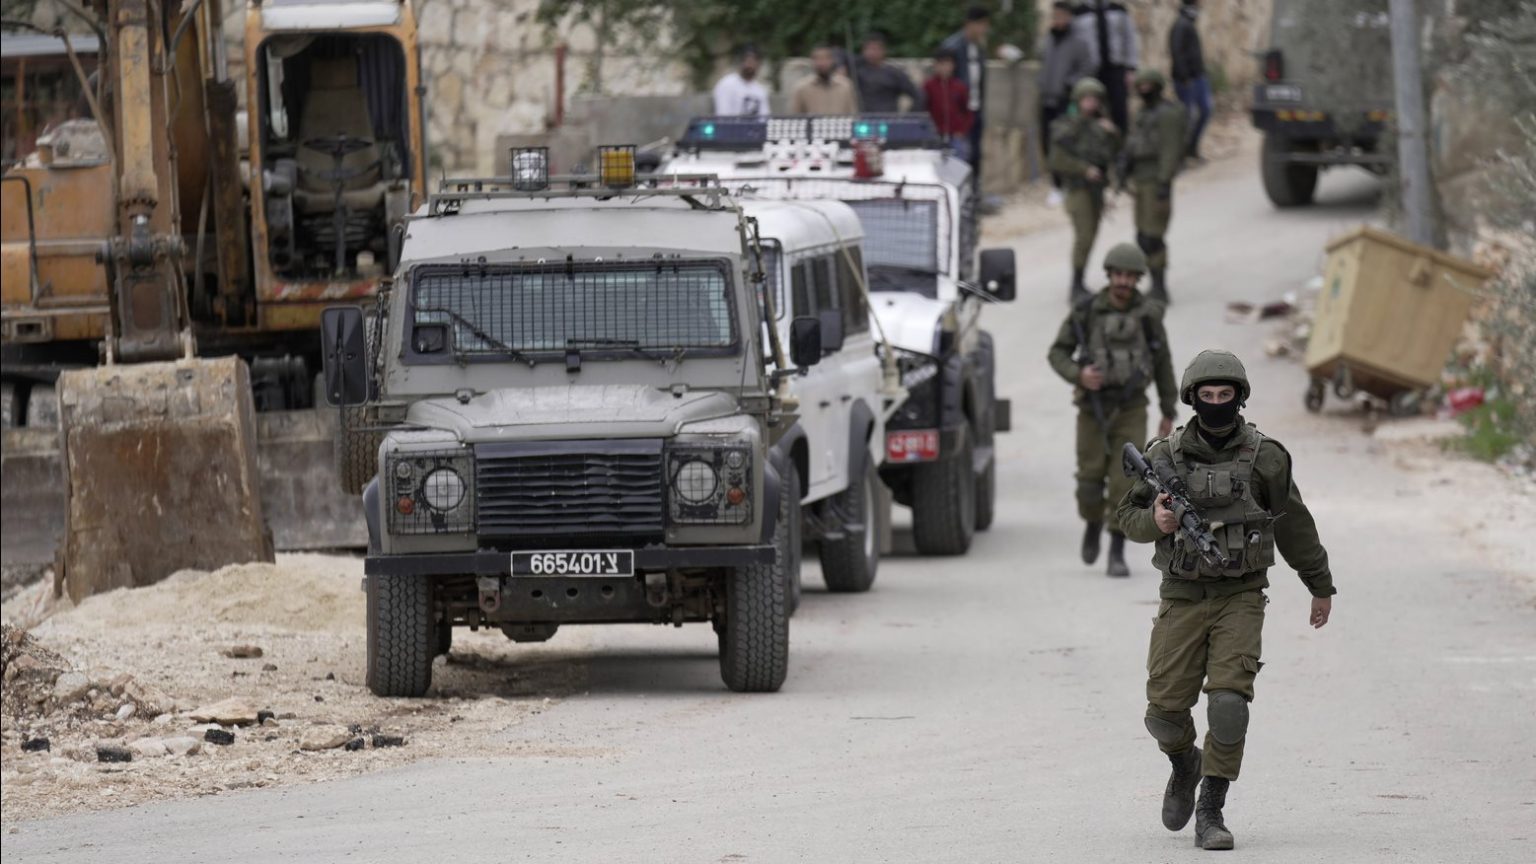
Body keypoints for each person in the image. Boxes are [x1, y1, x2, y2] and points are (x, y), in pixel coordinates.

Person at [1115, 349, 1336, 852]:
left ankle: (1211, 808)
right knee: (1163, 714)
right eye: (1207, 395)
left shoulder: (1265, 456)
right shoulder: (1163, 456)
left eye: (1225, 394)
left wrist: (1319, 584)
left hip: (1241, 594)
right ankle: (1184, 764)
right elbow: (1127, 518)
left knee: (1229, 704)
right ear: (1192, 399)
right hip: (1181, 594)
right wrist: (1158, 521)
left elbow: (1294, 524)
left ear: (1240, 397)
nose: (1216, 403)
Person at [1047, 242, 1177, 578]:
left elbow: (1162, 362)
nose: (1123, 282)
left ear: (1137, 279)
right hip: (1092, 408)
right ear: (1109, 275)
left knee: (1125, 483)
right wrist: (1079, 374)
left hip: (1132, 407)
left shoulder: (1148, 316)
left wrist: (1168, 408)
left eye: (1130, 276)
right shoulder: (1086, 311)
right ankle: (1093, 523)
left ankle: (1116, 550)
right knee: (1089, 482)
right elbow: (1057, 353)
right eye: (1118, 275)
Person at [1048, 77, 1120, 303]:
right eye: (1087, 99)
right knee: (1084, 236)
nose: (1091, 103)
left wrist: (1113, 134)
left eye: (1095, 99)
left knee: (1091, 235)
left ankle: (1080, 282)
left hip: (1097, 189)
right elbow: (1057, 160)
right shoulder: (1066, 126)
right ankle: (1076, 285)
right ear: (1078, 100)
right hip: (1077, 188)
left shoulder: (1101, 126)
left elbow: (1114, 155)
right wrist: (1083, 169)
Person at [1123, 68, 1188, 304]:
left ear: (1158, 87)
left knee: (1153, 237)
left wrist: (1164, 183)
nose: (1144, 91)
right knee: (1142, 236)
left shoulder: (1168, 114)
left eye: (1148, 87)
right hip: (1141, 181)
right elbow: (1134, 142)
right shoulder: (1143, 113)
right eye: (1140, 87)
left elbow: (1171, 150)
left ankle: (1160, 288)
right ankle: (1153, 282)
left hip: (1156, 181)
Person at [1038, 1, 1096, 205]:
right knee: (1047, 142)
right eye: (1055, 16)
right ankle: (1056, 185)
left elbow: (1088, 67)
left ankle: (1069, 182)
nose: (1058, 20)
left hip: (1066, 100)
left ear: (1069, 17)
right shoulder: (1048, 39)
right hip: (1046, 100)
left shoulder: (1079, 41)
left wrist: (1069, 84)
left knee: (1066, 142)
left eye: (1061, 15)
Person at [939, 6, 992, 180]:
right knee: (959, 154)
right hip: (959, 113)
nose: (984, 29)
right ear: (970, 24)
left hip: (975, 109)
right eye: (982, 25)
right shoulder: (952, 46)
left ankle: (975, 190)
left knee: (976, 153)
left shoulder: (979, 48)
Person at [1073, 1, 1140, 132]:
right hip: (1091, 71)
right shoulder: (1079, 12)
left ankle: (1120, 139)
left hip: (1116, 69)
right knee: (1091, 109)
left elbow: (1129, 39)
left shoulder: (1119, 10)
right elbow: (1075, 43)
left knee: (1119, 109)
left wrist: (1131, 68)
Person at [1170, 0, 1212, 162]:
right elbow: (1177, 52)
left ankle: (1192, 149)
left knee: (1205, 111)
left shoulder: (1189, 23)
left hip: (1198, 77)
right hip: (1187, 80)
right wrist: (1184, 76)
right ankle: (1181, 154)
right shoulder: (1181, 25)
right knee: (1187, 118)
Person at [853, 32, 924, 114]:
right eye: (868, 49)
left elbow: (918, 95)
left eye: (875, 49)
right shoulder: (857, 71)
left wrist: (909, 116)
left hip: (888, 117)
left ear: (883, 50)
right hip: (864, 118)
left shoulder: (894, 73)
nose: (871, 53)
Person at [923, 52, 974, 161]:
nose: (944, 68)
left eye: (947, 64)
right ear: (935, 65)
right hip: (935, 135)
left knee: (959, 162)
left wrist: (962, 130)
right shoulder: (928, 86)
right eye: (941, 64)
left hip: (956, 136)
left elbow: (967, 112)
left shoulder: (960, 87)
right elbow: (923, 110)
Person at [789, 45, 858, 115]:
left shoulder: (845, 86)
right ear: (812, 61)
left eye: (826, 58)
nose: (822, 63)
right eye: (818, 59)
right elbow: (795, 117)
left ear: (832, 60)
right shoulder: (801, 88)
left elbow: (853, 114)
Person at [713, 46, 771, 117]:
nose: (751, 65)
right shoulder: (726, 84)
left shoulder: (760, 90)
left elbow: (764, 118)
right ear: (741, 62)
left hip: (754, 124)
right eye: (748, 61)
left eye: (754, 61)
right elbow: (723, 116)